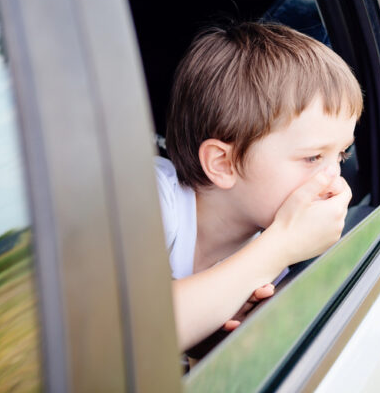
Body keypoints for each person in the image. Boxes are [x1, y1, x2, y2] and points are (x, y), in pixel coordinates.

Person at [155, 20, 363, 351]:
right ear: (224, 163)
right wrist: (281, 245)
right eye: (312, 158)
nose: (335, 181)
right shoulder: (153, 202)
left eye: (341, 154)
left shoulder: (269, 257)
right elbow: (130, 335)